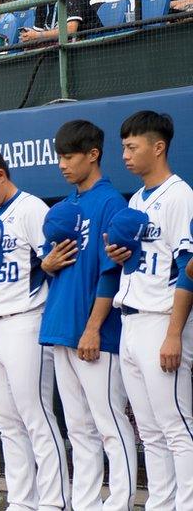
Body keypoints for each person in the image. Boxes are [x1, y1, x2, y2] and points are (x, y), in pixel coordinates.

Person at [0, 145, 70, 511]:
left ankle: (54, 502)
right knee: (7, 422)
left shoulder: (32, 209)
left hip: (25, 320)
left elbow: (53, 259)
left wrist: (48, 263)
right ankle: (23, 501)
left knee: (36, 416)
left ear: (0, 175)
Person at [37, 120, 135, 510]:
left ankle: (121, 502)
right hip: (60, 327)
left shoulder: (111, 202)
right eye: (59, 156)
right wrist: (44, 264)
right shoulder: (64, 207)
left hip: (95, 332)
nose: (62, 164)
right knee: (78, 428)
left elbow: (111, 273)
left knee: (110, 423)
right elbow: (51, 266)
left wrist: (93, 328)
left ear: (93, 154)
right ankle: (86, 503)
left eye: (70, 156)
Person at [107, 111, 193, 509]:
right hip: (131, 319)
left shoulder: (180, 195)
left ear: (157, 147)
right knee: (151, 430)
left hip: (162, 320)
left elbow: (189, 267)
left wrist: (174, 333)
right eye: (123, 146)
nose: (124, 154)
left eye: (131, 146)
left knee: (176, 426)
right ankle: (161, 503)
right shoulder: (137, 198)